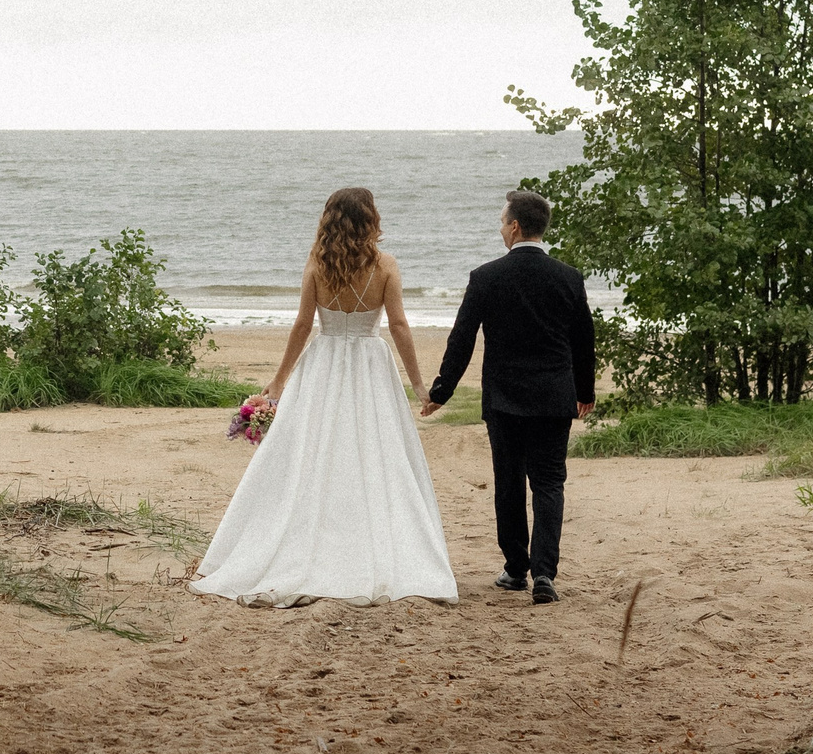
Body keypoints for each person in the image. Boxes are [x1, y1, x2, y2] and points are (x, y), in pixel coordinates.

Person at [191, 187, 458, 607]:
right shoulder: (385, 265)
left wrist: (278, 383)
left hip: (324, 361)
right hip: (371, 364)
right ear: (370, 219)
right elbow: (400, 326)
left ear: (330, 219)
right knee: (375, 452)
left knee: (313, 450)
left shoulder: (318, 263)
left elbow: (302, 326)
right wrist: (419, 386)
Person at [422, 187, 595, 604]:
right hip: (555, 397)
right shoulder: (569, 277)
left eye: (502, 221)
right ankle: (546, 574)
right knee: (551, 483)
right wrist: (584, 391)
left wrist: (441, 392)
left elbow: (461, 339)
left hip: (505, 399)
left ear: (515, 226)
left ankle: (517, 569)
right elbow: (583, 340)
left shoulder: (486, 277)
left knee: (510, 483)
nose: (500, 229)